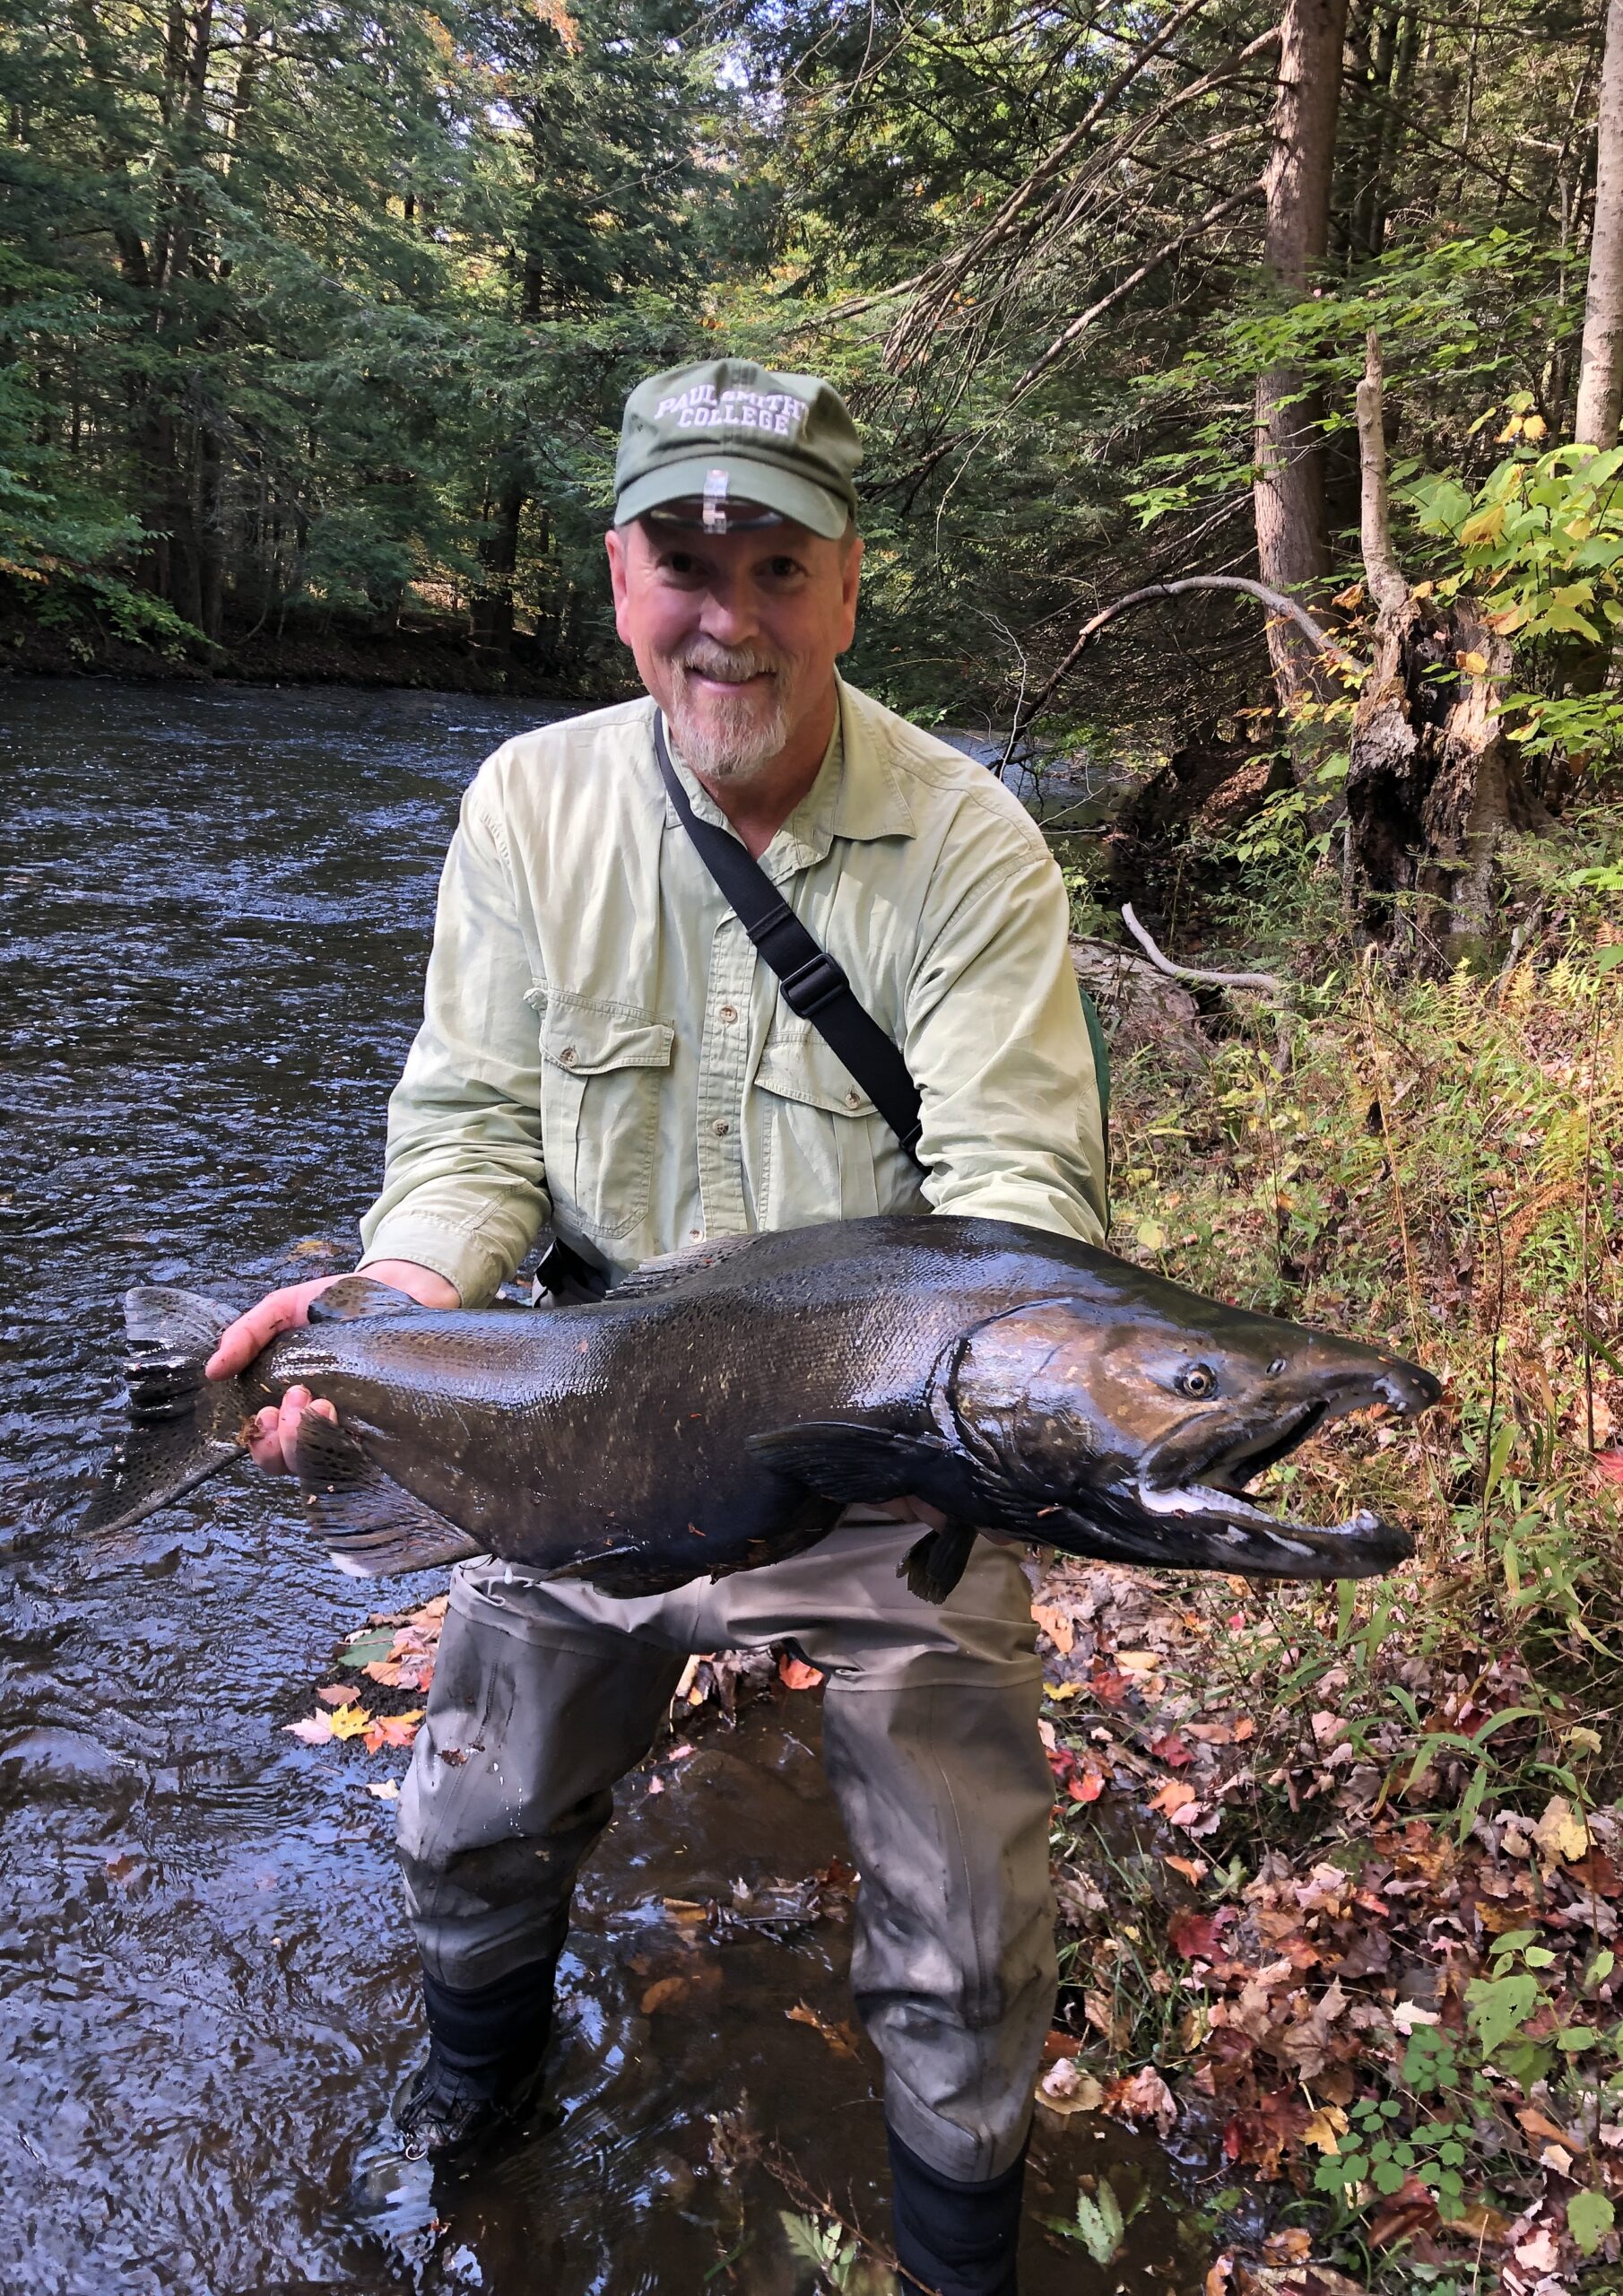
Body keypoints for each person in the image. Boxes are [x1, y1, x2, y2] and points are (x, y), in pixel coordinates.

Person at [206, 357, 1107, 2295]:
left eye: (779, 565)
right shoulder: (532, 807)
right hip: (591, 1417)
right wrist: (396, 1310)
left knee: (969, 1927)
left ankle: (961, 2254)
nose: (732, 616)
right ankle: (484, 2136)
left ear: (849, 586)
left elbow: (1021, 1208)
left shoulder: (968, 844)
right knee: (470, 1824)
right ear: (620, 575)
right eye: (688, 561)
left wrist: (1021, 1404)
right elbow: (465, 1141)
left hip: (878, 1468)